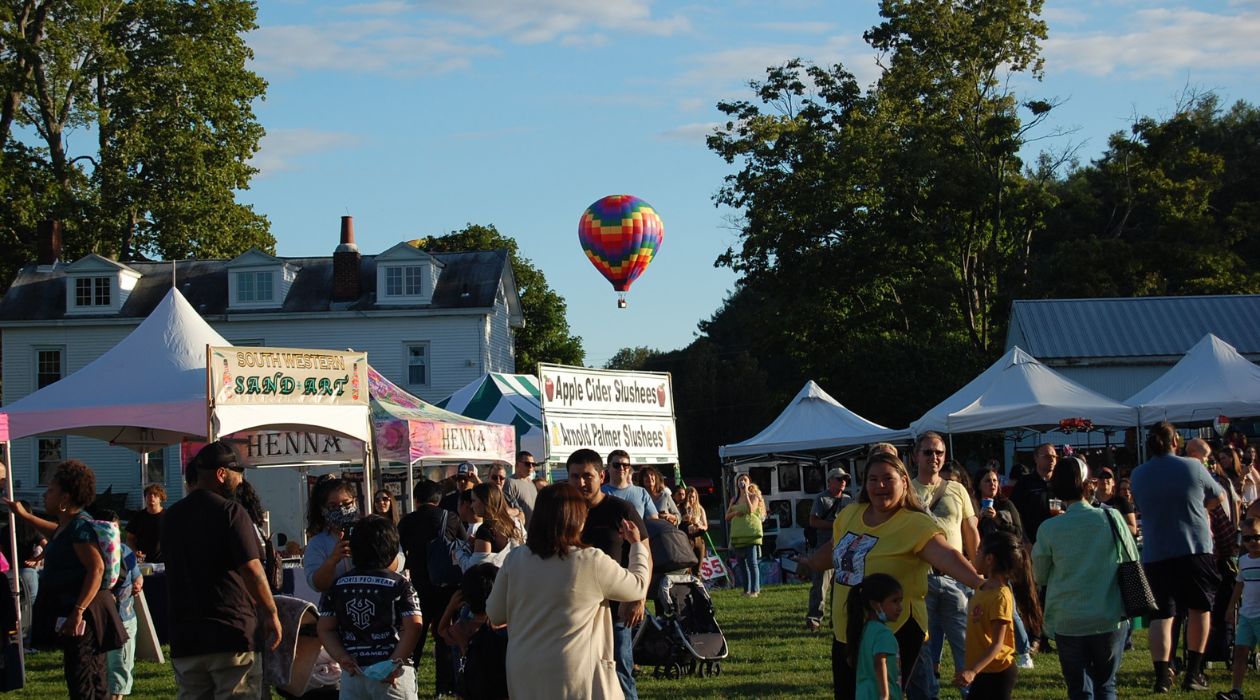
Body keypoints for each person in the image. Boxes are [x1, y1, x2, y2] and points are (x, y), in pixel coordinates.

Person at [799, 451, 983, 700]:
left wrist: (979, 584)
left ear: (904, 482)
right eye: (872, 479)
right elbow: (835, 550)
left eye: (888, 478)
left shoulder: (915, 523)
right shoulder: (850, 514)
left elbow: (947, 556)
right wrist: (809, 563)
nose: (879, 486)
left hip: (893, 630)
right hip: (847, 630)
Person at [487, 482, 649, 699]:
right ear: (578, 519)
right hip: (576, 670)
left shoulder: (515, 559)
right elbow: (637, 586)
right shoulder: (590, 560)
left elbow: (495, 613)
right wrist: (637, 545)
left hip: (524, 668)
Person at [162, 441, 282, 699]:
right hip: (231, 634)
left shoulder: (171, 517)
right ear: (221, 474)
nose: (240, 483)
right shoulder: (231, 512)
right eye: (238, 476)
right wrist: (271, 611)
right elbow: (252, 569)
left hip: (186, 637)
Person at [4, 460, 117, 698]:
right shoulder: (69, 526)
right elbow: (54, 533)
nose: (45, 495)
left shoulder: (80, 528)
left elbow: (95, 569)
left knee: (84, 678)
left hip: (86, 616)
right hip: (78, 612)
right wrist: (24, 515)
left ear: (65, 498)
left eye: (51, 490)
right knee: (82, 675)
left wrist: (78, 610)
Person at [1131, 421, 1225, 693]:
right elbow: (1218, 496)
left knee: (1162, 616)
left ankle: (1162, 676)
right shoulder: (1193, 467)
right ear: (1176, 442)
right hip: (1194, 548)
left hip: (1157, 551)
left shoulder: (1138, 474)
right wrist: (1201, 506)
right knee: (1199, 609)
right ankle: (1193, 673)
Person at [1033, 454, 1134, 700]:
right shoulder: (1111, 518)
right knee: (1106, 685)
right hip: (1108, 615)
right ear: (1088, 484)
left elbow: (1040, 575)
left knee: (1079, 690)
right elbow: (1132, 559)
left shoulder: (1049, 529)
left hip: (1068, 619)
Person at [568, 449, 650, 700]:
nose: (581, 482)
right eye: (574, 476)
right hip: (577, 611)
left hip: (617, 608)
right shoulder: (565, 513)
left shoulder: (621, 510)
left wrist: (638, 597)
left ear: (601, 476)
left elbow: (644, 551)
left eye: (587, 476)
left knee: (620, 671)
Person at [317, 514, 422, 700]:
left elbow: (325, 628)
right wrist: (394, 662)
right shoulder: (400, 584)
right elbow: (414, 626)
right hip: (392, 675)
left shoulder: (337, 586)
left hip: (353, 672)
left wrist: (342, 657)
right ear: (392, 550)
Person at [908, 432, 979, 700]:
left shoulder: (956, 489)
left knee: (964, 642)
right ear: (916, 456)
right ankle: (929, 694)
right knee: (922, 646)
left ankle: (970, 691)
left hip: (955, 577)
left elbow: (971, 530)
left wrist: (975, 569)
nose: (934, 458)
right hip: (919, 578)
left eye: (939, 453)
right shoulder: (906, 489)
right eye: (928, 452)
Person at [396, 479, 467, 697]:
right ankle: (443, 686)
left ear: (416, 499)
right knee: (444, 634)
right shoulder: (451, 518)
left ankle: (411, 677)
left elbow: (400, 552)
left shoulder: (407, 521)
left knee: (415, 635)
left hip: (417, 586)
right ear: (439, 499)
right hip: (446, 586)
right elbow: (464, 546)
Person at [954, 530, 1042, 700]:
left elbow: (997, 644)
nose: (974, 554)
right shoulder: (982, 588)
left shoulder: (1000, 596)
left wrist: (973, 671)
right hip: (983, 670)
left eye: (979, 551)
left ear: (989, 559)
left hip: (998, 673)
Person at [95, 509, 143, 700]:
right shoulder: (91, 552)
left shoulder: (125, 551)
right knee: (103, 670)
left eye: (115, 529)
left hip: (124, 617)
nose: (112, 535)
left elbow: (137, 576)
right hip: (102, 619)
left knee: (120, 667)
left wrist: (139, 583)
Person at [807, 467, 852, 632]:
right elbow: (813, 521)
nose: (843, 482)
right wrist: (835, 525)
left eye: (845, 479)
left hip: (844, 548)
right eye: (839, 479)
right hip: (824, 548)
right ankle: (814, 619)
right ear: (829, 481)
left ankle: (836, 619)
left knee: (840, 587)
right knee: (820, 586)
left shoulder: (848, 500)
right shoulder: (821, 499)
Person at [845, 573, 904, 700]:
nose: (900, 607)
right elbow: (880, 662)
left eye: (900, 601)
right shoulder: (883, 633)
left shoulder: (865, 629)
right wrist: (885, 695)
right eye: (895, 601)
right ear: (876, 605)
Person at [1220, 516, 1260, 700]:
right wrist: (1231, 608)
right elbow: (1239, 585)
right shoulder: (1243, 561)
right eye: (1248, 538)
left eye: (1257, 537)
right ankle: (1236, 690)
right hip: (1246, 616)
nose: (1253, 542)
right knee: (1240, 652)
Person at [303, 478, 361, 593]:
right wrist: (333, 559)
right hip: (336, 606)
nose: (341, 510)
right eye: (333, 506)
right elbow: (316, 584)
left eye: (346, 504)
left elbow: (398, 561)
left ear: (355, 502)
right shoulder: (317, 543)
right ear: (323, 510)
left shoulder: (371, 530)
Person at [726, 473, 765, 598]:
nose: (742, 481)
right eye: (740, 480)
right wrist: (736, 512)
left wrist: (747, 493)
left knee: (752, 563)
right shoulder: (734, 499)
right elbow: (727, 516)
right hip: (738, 535)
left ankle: (755, 590)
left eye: (745, 479)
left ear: (749, 482)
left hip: (750, 534)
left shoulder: (754, 497)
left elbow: (751, 510)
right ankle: (746, 590)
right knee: (741, 564)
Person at [1010, 443, 1056, 544]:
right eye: (1047, 456)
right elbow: (1015, 513)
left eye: (1054, 456)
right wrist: (1024, 540)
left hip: (1058, 540)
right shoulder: (1025, 483)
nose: (1052, 460)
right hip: (1033, 541)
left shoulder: (1060, 483)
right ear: (1036, 459)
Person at [470, 482, 525, 560]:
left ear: (485, 501)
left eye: (473, 500)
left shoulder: (485, 530)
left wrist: (459, 553)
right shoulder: (513, 524)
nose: (471, 505)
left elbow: (479, 565)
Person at [602, 450, 658, 520]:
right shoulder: (600, 493)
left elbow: (654, 521)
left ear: (629, 468)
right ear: (608, 467)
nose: (621, 468)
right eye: (616, 465)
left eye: (625, 465)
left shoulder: (642, 493)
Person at [972, 467, 1023, 542]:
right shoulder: (973, 505)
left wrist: (997, 518)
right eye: (987, 481)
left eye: (995, 480)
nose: (992, 483)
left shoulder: (1006, 504)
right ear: (979, 486)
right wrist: (978, 518)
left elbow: (1018, 534)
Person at [125, 483, 165, 563]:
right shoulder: (138, 517)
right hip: (142, 562)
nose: (151, 497)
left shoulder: (168, 516)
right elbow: (130, 538)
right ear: (145, 498)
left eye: (155, 495)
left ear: (160, 498)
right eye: (149, 494)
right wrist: (135, 551)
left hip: (163, 562)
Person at [1093, 467, 1137, 537]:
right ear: (1096, 481)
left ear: (1113, 482)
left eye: (1108, 477)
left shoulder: (1122, 502)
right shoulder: (1089, 503)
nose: (1104, 479)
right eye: (1101, 477)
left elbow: (1133, 529)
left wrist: (1111, 526)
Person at [503, 451, 540, 527]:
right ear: (517, 464)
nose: (531, 467)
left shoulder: (531, 483)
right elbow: (507, 510)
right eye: (527, 464)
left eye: (533, 464)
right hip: (520, 533)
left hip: (533, 532)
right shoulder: (510, 483)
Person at [679, 487, 708, 575]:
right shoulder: (681, 508)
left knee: (698, 568)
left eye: (693, 497)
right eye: (689, 497)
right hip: (686, 538)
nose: (691, 499)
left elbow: (706, 526)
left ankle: (698, 584)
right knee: (687, 568)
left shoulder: (700, 509)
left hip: (698, 537)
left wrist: (699, 525)